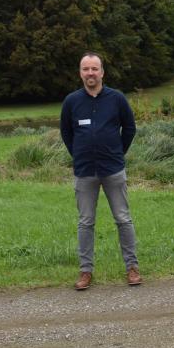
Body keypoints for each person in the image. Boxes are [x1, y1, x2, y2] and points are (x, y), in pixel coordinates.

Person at [60, 52, 142, 291]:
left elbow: (129, 128)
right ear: (80, 73)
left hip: (113, 169)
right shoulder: (72, 101)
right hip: (85, 171)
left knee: (123, 219)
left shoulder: (116, 99)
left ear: (102, 72)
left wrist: (118, 151)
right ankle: (85, 271)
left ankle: (132, 268)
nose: (90, 73)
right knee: (86, 222)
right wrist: (78, 153)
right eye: (86, 69)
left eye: (94, 69)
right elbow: (66, 133)